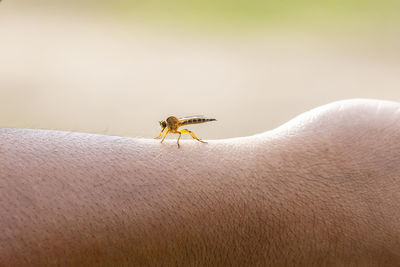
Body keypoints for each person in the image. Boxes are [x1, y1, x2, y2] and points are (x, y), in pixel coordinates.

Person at [1, 99, 399, 266]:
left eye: (166, 128)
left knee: (191, 135)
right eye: (167, 128)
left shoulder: (178, 130)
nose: (166, 130)